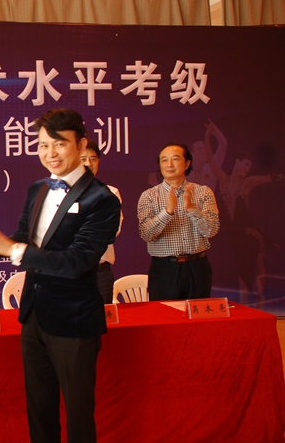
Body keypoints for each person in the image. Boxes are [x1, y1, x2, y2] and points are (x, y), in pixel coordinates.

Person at [0, 108, 121, 443]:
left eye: (59, 144)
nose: (50, 153)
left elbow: (77, 262)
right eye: (42, 145)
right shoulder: (38, 188)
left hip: (74, 320)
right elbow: (23, 238)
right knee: (39, 409)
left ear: (80, 145)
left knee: (78, 414)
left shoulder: (102, 199)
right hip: (34, 314)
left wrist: (12, 248)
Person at [205, 121, 282, 306]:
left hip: (249, 231)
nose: (248, 169)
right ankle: (245, 303)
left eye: (250, 166)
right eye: (246, 164)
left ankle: (260, 297)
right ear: (237, 163)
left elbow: (268, 179)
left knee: (258, 266)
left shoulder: (248, 182)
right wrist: (208, 137)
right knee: (242, 269)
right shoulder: (222, 179)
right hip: (235, 234)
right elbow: (210, 159)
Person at [138, 143, 219, 301]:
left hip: (197, 266)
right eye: (164, 160)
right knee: (164, 314)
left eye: (175, 159)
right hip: (165, 269)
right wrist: (167, 212)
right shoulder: (149, 196)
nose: (169, 164)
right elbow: (146, 234)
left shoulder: (203, 192)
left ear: (187, 163)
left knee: (197, 314)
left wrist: (192, 209)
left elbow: (211, 230)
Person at [80, 139, 123, 304]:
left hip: (100, 272)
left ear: (98, 162)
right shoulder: (62, 193)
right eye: (83, 159)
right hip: (72, 271)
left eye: (93, 159)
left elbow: (113, 229)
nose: (88, 163)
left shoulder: (111, 193)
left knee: (103, 317)